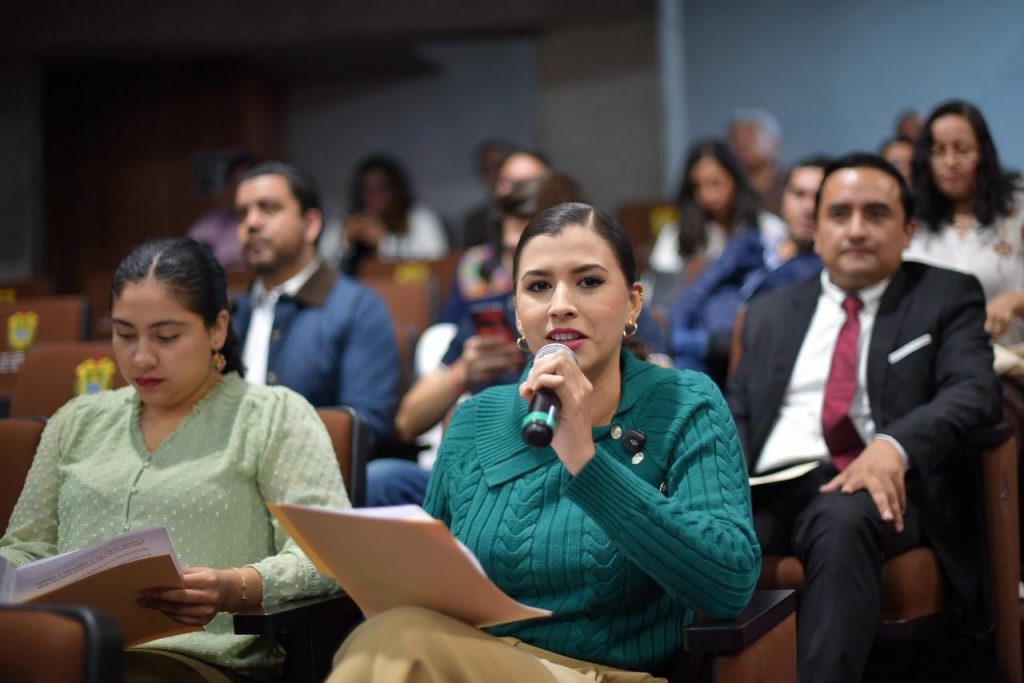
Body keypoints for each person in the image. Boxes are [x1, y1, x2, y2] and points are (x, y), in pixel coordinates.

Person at [328, 202, 760, 683]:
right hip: (469, 660)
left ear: (633, 304)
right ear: (517, 314)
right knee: (390, 636)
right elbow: (430, 586)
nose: (560, 305)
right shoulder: (474, 418)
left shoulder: (685, 402)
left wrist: (585, 461)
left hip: (603, 673)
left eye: (589, 282)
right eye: (538, 287)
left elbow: (729, 583)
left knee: (398, 646)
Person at [0, 237, 349, 682]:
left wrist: (235, 586)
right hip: (58, 652)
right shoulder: (77, 420)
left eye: (166, 337)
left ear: (217, 329)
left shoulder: (272, 416)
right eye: (125, 334)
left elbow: (329, 554)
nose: (141, 357)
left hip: (197, 661)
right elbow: (24, 547)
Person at [727, 153, 1002, 683]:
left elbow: (974, 391)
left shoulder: (946, 295)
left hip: (876, 489)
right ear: (815, 230)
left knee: (843, 518)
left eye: (875, 214)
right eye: (839, 214)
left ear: (908, 230)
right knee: (690, 534)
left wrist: (894, 446)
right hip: (769, 489)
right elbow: (737, 410)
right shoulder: (769, 312)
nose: (855, 230)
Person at [370, 175, 669, 507]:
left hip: (605, 458)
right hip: (498, 464)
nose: (559, 305)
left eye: (586, 281)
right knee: (383, 480)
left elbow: (664, 392)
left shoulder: (614, 311)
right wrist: (462, 373)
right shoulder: (491, 313)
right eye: (513, 254)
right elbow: (407, 421)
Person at [233, 161, 400, 447]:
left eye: (269, 208)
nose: (252, 223)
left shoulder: (358, 307)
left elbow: (364, 426)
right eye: (242, 214)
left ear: (310, 224)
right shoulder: (230, 311)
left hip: (312, 470)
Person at [904, 99, 1024, 345]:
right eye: (938, 151)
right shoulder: (910, 220)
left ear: (983, 154)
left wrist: (1014, 301)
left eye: (962, 150)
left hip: (1008, 359)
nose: (950, 162)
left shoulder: (1016, 212)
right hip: (930, 361)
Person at [648, 140, 787, 301]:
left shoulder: (769, 228)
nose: (707, 195)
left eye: (716, 183)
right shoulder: (675, 234)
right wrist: (684, 279)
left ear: (736, 180)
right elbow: (655, 295)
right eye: (697, 186)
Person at [319, 155, 449, 274]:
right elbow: (319, 270)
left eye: (381, 189)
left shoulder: (420, 218)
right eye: (367, 191)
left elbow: (437, 265)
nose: (374, 198)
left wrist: (386, 243)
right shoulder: (344, 221)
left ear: (396, 190)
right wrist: (344, 242)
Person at [740, 156, 829, 300]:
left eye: (818, 198)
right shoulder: (754, 242)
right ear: (783, 196)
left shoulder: (825, 273)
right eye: (799, 194)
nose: (809, 208)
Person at [187, 150, 257, 269]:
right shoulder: (207, 227)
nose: (243, 189)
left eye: (250, 184)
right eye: (237, 183)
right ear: (227, 185)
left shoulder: (269, 222)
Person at [459, 137, 517, 250]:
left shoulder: (536, 210)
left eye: (499, 167)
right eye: (487, 170)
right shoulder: (474, 222)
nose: (495, 176)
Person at [729, 108, 786, 214]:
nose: (743, 144)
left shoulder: (792, 182)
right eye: (736, 139)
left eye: (751, 136)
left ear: (775, 143)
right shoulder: (730, 186)